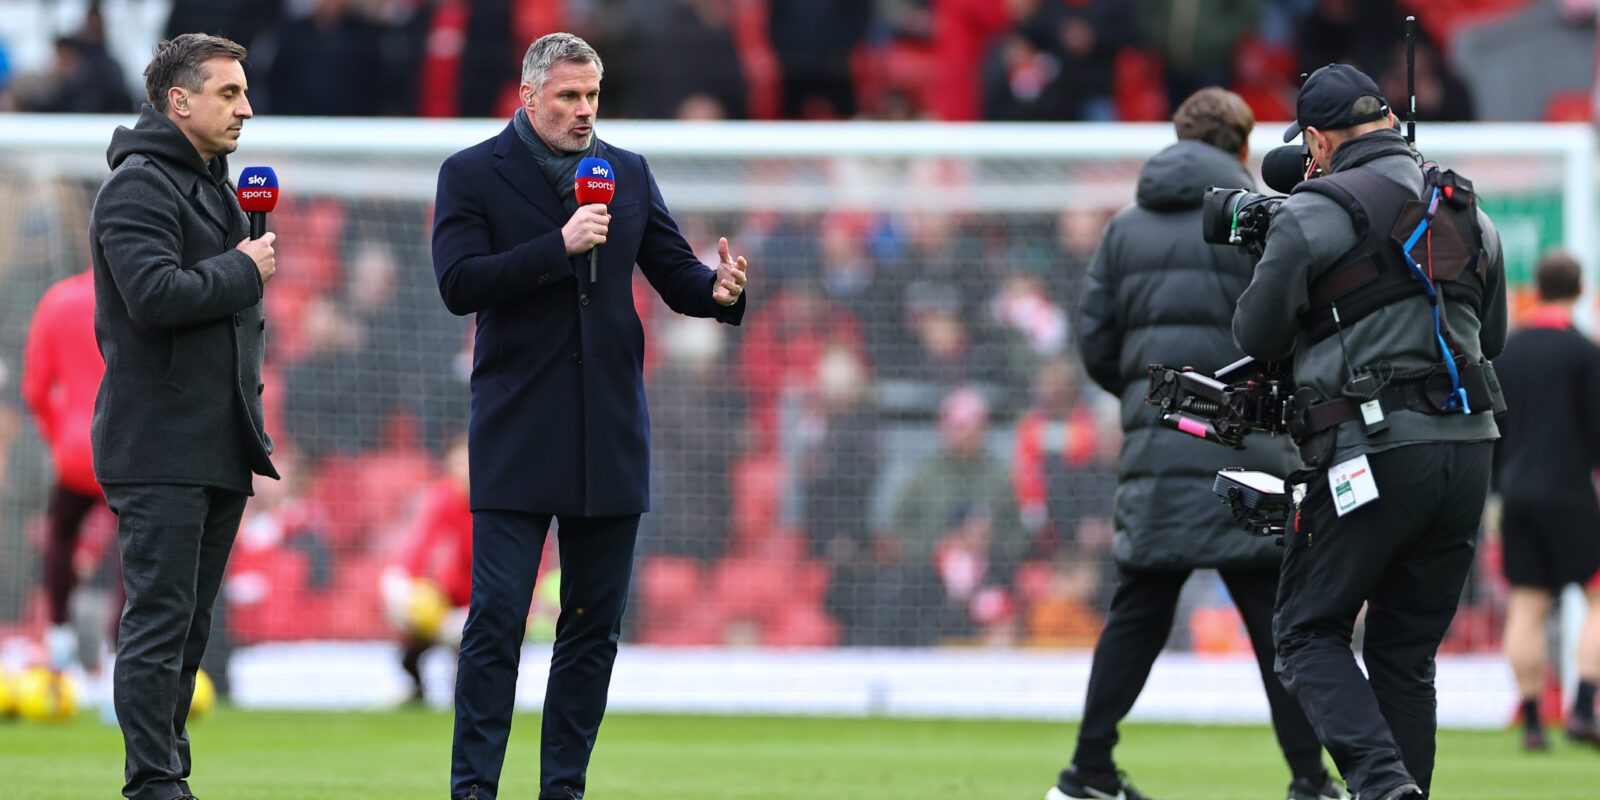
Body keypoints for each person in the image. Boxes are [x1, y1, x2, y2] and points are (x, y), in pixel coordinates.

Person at [431, 31, 748, 800]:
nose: (583, 110)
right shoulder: (470, 172)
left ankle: (562, 790)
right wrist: (559, 245)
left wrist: (717, 290)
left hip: (608, 429)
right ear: (529, 95)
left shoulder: (626, 172)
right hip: (517, 429)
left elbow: (673, 272)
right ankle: (473, 791)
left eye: (592, 96)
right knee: (496, 619)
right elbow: (458, 283)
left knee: (591, 627)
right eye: (568, 96)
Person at [1053, 87, 1340, 800]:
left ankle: (1088, 771)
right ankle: (1311, 780)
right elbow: (1300, 331)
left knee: (1137, 617)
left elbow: (1096, 345)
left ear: (1177, 139)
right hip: (1253, 449)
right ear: (1242, 147)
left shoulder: (1124, 230)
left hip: (1160, 450)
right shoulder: (1269, 222)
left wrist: (1150, 401)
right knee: (1282, 630)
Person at [1234, 64, 1507, 800]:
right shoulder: (1467, 209)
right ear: (1389, 121)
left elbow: (1256, 335)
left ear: (1317, 140)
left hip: (1373, 449)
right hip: (1468, 453)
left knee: (1305, 631)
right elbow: (1492, 338)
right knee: (1406, 654)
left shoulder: (1313, 210)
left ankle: (1383, 786)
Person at [90, 33, 277, 800]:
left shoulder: (214, 185)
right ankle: (153, 784)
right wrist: (243, 268)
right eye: (228, 93)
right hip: (160, 442)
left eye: (244, 92)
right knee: (160, 623)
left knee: (189, 627)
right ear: (179, 101)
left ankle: (169, 776)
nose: (245, 108)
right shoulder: (136, 188)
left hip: (214, 440)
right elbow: (155, 296)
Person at [1490, 250, 1600, 750]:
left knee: (1526, 604)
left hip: (1516, 494)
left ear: (1537, 288)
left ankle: (1533, 721)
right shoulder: (1584, 352)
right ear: (1579, 291)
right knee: (1596, 597)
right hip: (1571, 492)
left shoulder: (1507, 352)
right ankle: (1584, 708)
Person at [21, 268, 105, 670]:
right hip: (132, 445)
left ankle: (59, 635)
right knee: (138, 544)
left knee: (61, 535)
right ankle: (124, 649)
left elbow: (35, 389)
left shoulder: (58, 300)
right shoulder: (138, 292)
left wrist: (59, 435)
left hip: (76, 448)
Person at [380, 435, 474, 702]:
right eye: (459, 464)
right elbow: (419, 543)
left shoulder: (500, 503)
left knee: (471, 664)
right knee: (410, 646)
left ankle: (465, 699)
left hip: (485, 598)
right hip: (444, 596)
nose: (465, 471)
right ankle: (415, 689)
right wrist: (400, 580)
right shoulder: (443, 498)